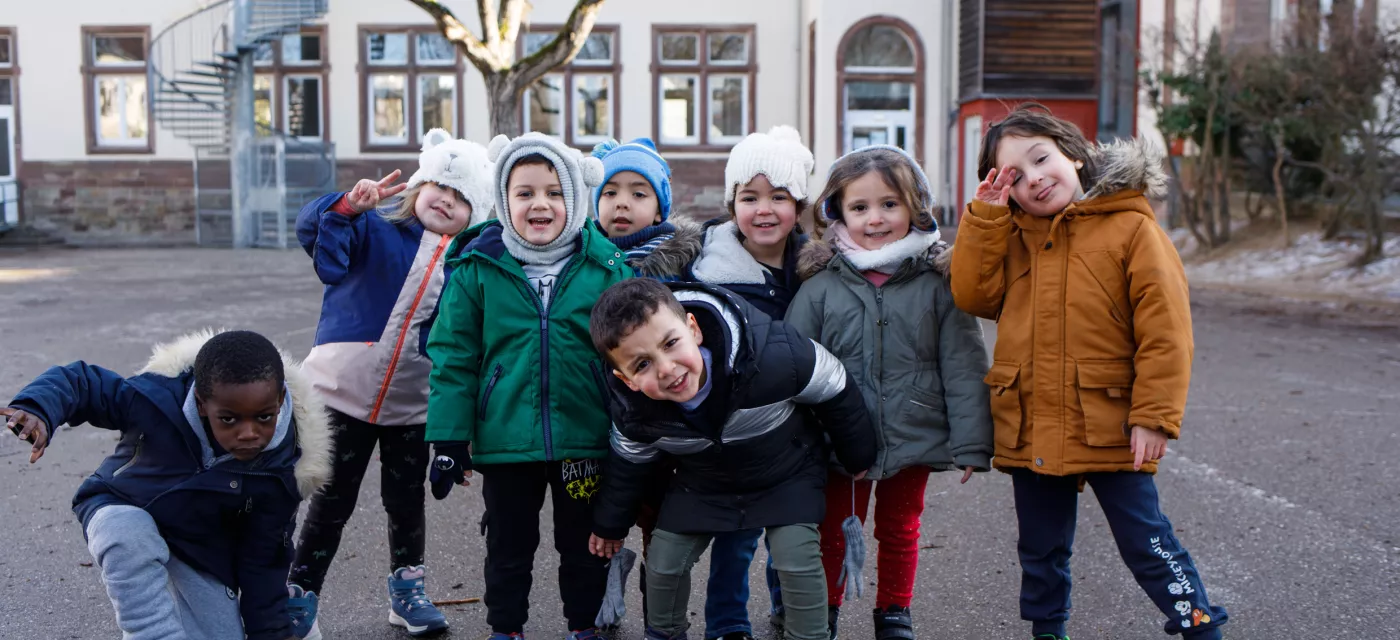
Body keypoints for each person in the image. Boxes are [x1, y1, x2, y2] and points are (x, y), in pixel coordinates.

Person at [950, 103, 1229, 640]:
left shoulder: (1131, 230)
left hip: (1112, 423)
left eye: (1041, 159)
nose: (1034, 179)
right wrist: (985, 217)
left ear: (1074, 156)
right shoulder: (1009, 238)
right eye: (1016, 176)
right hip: (1031, 419)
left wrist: (1153, 416)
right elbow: (972, 294)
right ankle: (1048, 630)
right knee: (1040, 545)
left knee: (1145, 539)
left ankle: (1197, 623)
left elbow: (1167, 333)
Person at [586, 278, 877, 640]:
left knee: (795, 558)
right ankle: (664, 633)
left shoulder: (773, 354)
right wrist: (610, 526)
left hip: (785, 472)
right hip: (704, 482)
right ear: (626, 379)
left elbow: (834, 384)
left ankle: (809, 635)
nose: (666, 369)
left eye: (671, 343)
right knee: (664, 563)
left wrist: (857, 452)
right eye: (642, 364)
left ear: (693, 329)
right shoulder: (636, 412)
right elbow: (628, 466)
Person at [425, 132, 632, 640]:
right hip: (505, 440)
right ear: (503, 200)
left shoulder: (605, 269)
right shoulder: (477, 268)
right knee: (508, 544)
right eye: (524, 193)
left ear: (576, 199)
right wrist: (449, 438)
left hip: (583, 436)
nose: (540, 204)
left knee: (583, 544)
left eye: (555, 192)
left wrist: (635, 430)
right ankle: (506, 628)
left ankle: (584, 625)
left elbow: (631, 353)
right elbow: (453, 357)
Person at [289, 128, 494, 639]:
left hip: (413, 407)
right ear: (417, 186)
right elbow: (325, 256)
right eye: (439, 187)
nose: (446, 200)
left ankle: (407, 592)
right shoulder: (374, 229)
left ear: (480, 211)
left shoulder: (469, 266)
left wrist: (462, 428)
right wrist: (344, 210)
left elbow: (475, 346)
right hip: (341, 396)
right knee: (330, 501)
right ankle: (299, 596)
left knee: (406, 502)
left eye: (463, 196)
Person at [785, 144, 994, 640]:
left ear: (914, 207)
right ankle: (827, 611)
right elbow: (794, 368)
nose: (875, 219)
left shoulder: (938, 285)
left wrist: (972, 442)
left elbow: (963, 364)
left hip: (913, 432)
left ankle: (894, 611)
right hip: (838, 441)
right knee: (835, 529)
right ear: (837, 213)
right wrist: (794, 442)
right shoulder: (819, 288)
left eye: (889, 205)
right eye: (859, 207)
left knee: (901, 528)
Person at [2, 330, 333, 640]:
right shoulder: (157, 399)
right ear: (202, 403)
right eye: (229, 419)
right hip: (124, 505)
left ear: (280, 401)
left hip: (197, 549)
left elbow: (263, 563)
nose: (249, 433)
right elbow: (81, 382)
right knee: (126, 535)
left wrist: (272, 631)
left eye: (264, 417)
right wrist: (38, 409)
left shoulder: (279, 473)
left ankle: (293, 620)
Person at [637, 125, 816, 637]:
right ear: (731, 201)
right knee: (735, 536)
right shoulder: (707, 269)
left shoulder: (812, 269)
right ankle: (728, 622)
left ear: (797, 205)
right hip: (730, 427)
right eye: (750, 196)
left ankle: (786, 608)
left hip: (796, 423)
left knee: (791, 532)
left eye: (778, 197)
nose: (764, 210)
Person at [591, 137, 678, 268]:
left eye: (638, 194)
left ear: (658, 210)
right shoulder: (580, 254)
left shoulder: (677, 259)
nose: (621, 203)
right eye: (610, 193)